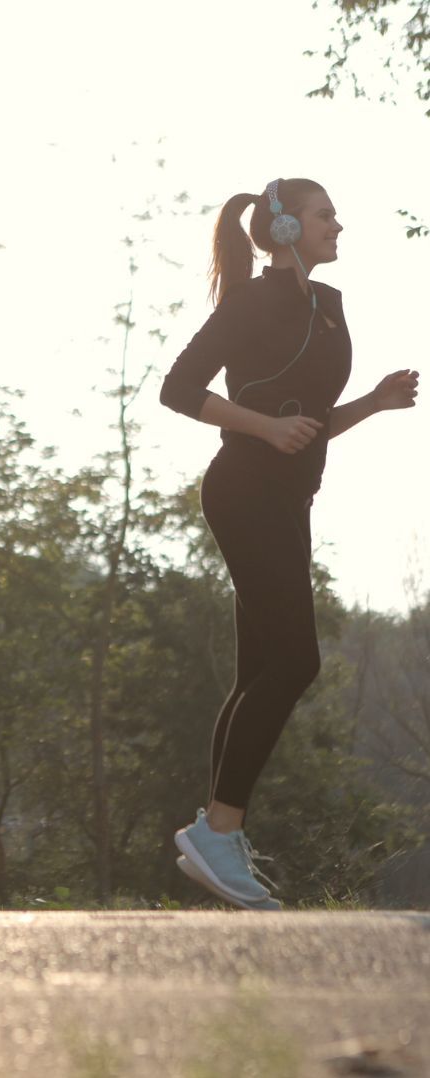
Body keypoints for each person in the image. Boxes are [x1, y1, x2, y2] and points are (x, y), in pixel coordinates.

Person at [160, 178, 419, 911]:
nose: (338, 225)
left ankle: (219, 837)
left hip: (287, 498)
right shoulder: (248, 303)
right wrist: (263, 427)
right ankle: (218, 830)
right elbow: (178, 389)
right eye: (324, 216)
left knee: (259, 671)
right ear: (284, 226)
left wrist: (370, 403)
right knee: (297, 661)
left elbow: (305, 422)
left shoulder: (328, 307)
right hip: (243, 490)